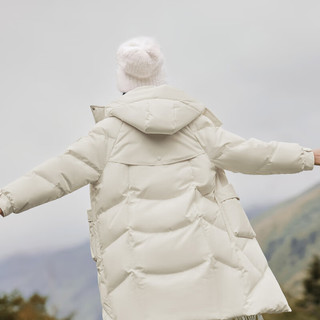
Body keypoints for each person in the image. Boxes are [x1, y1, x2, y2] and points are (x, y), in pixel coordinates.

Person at [0, 35, 319, 320]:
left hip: (141, 295)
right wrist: (310, 156)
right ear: (162, 79)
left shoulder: (105, 137)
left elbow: (54, 175)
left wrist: (5, 200)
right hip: (212, 287)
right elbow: (257, 154)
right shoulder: (198, 129)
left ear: (121, 82)